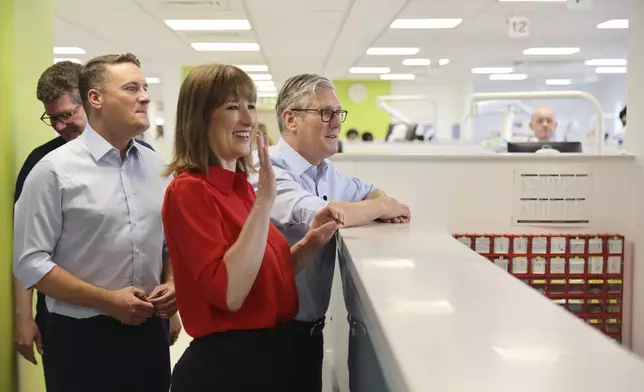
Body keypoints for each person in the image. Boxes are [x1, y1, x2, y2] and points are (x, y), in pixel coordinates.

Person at [161, 64, 343, 391]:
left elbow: (266, 272)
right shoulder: (189, 190)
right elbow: (231, 293)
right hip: (228, 369)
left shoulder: (241, 187)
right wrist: (265, 203)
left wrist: (311, 243)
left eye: (250, 105)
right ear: (200, 118)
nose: (248, 118)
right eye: (233, 107)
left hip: (272, 355)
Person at [13, 53, 175, 392]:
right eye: (132, 88)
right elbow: (30, 263)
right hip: (80, 338)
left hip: (148, 332)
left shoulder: (154, 165)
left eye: (144, 87)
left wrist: (172, 286)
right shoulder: (52, 171)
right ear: (95, 99)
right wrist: (106, 300)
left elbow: (167, 242)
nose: (145, 96)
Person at [250, 73, 411, 392]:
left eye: (339, 113)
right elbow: (323, 215)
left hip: (308, 330)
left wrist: (381, 202)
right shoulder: (267, 168)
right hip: (267, 335)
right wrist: (382, 209)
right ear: (291, 119)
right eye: (326, 113)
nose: (336, 122)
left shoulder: (325, 170)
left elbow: (369, 192)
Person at [13, 61, 86, 371]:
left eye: (66, 115)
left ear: (91, 99)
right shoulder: (41, 164)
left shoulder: (136, 154)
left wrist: (170, 311)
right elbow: (26, 248)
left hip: (134, 315)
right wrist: (23, 317)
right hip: (61, 317)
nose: (59, 126)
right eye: (52, 118)